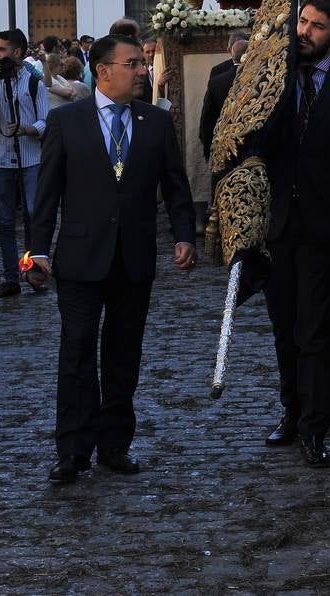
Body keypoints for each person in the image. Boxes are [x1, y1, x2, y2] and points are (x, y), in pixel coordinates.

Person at [28, 35, 196, 484]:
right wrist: (37, 251)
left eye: (141, 63)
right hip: (80, 259)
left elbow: (176, 187)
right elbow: (45, 195)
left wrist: (184, 237)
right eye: (133, 63)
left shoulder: (156, 123)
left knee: (123, 354)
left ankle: (115, 444)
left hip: (134, 258)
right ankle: (72, 449)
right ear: (103, 71)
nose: (143, 70)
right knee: (77, 352)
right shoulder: (67, 121)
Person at [262, 0, 330, 468]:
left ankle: (316, 426)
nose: (303, 31)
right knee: (283, 325)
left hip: (324, 225)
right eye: (301, 21)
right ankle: (291, 410)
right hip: (276, 222)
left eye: (316, 26)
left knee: (314, 330)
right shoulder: (272, 76)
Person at [0, 29, 51, 299]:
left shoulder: (34, 82)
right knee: (5, 221)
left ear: (17, 52)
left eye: (2, 50)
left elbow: (46, 121)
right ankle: (10, 277)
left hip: (29, 158)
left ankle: (32, 270)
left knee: (33, 215)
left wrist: (27, 129)